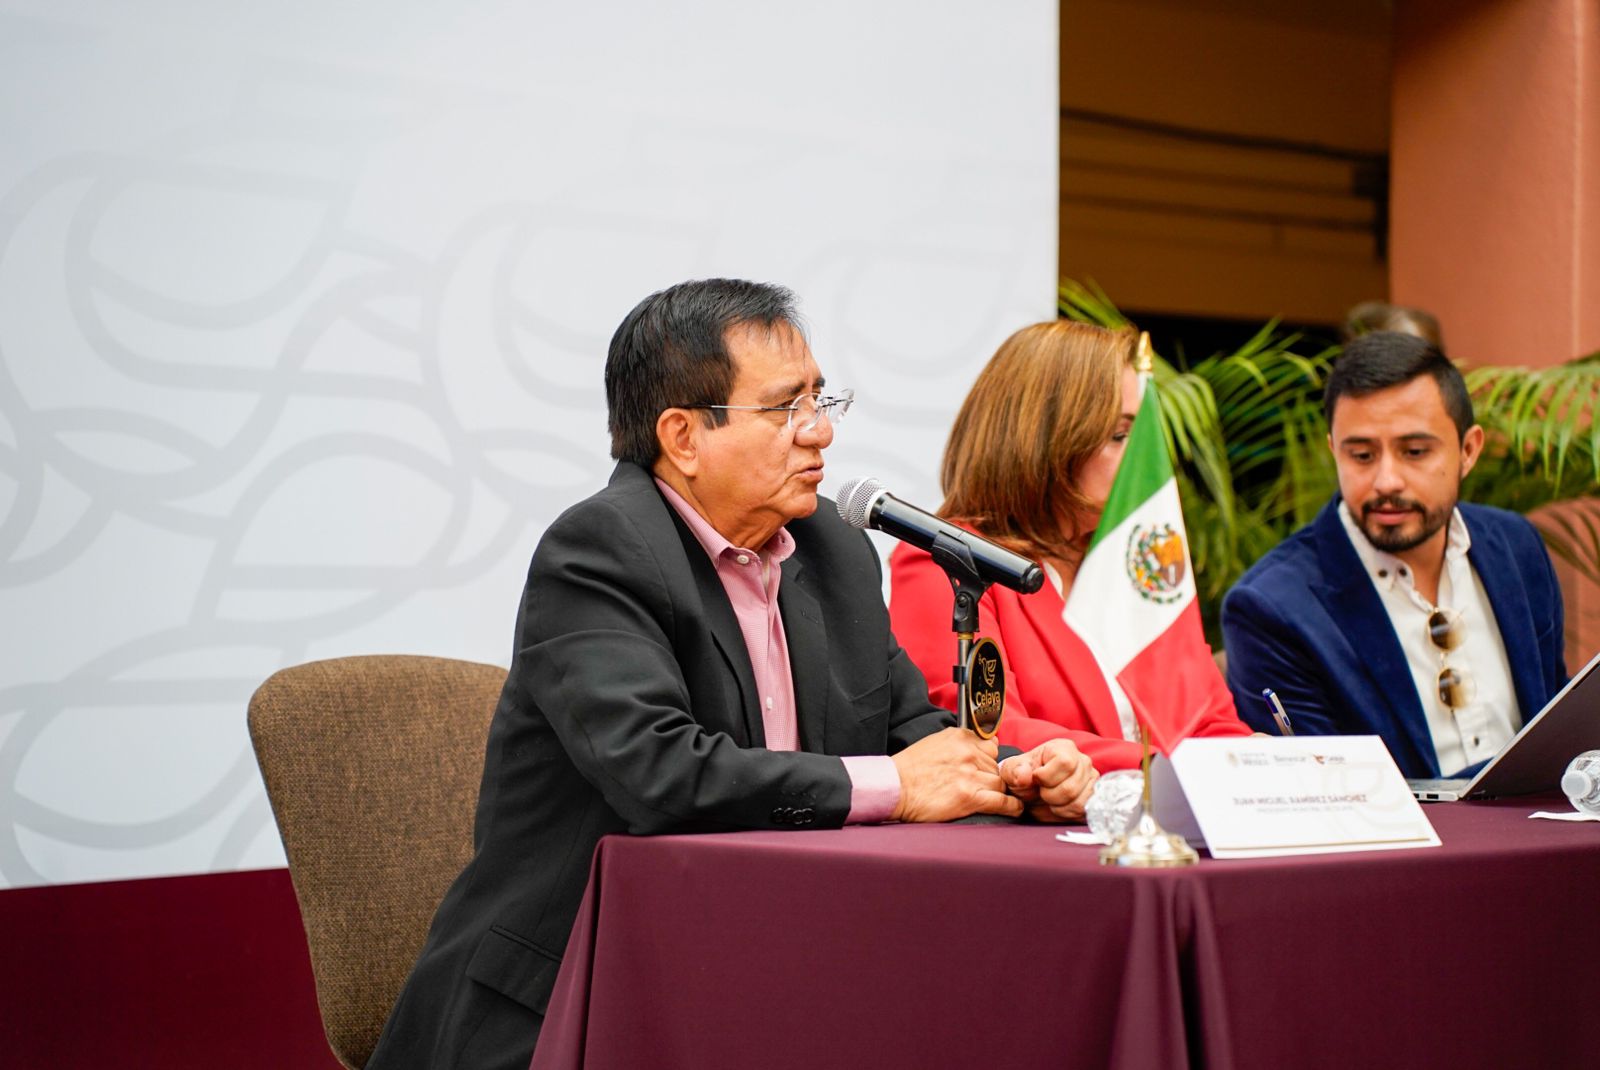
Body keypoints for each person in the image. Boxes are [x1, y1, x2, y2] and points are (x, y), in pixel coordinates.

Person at [366, 279, 1095, 1070]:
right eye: (786, 408)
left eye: (822, 399)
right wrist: (897, 784)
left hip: (771, 974)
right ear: (682, 437)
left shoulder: (833, 551)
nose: (820, 432)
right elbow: (660, 772)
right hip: (576, 1000)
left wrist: (1017, 778)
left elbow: (911, 734)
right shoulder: (599, 552)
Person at [888, 320, 1252, 773]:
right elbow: (988, 732)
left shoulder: (1138, 559)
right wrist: (1165, 770)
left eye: (1143, 438)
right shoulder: (947, 561)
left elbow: (1211, 720)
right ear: (1046, 439)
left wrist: (1252, 762)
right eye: (1120, 436)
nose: (1143, 461)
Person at [1222, 331, 1568, 778]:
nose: (1386, 480)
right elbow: (1324, 794)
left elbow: (1552, 727)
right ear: (1334, 451)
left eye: (1415, 452)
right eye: (1362, 455)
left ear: (1468, 450)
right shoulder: (1271, 608)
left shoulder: (1516, 546)